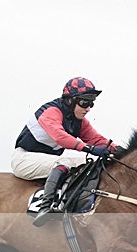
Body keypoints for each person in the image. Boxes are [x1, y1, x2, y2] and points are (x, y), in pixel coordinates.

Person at [12, 76, 122, 226]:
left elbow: (96, 139)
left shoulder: (79, 121)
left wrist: (121, 151)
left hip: (45, 161)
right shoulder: (51, 111)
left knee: (88, 163)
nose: (88, 108)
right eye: (84, 103)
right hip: (24, 159)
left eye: (91, 104)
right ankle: (45, 207)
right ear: (70, 100)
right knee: (66, 161)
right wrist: (89, 148)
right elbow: (59, 136)